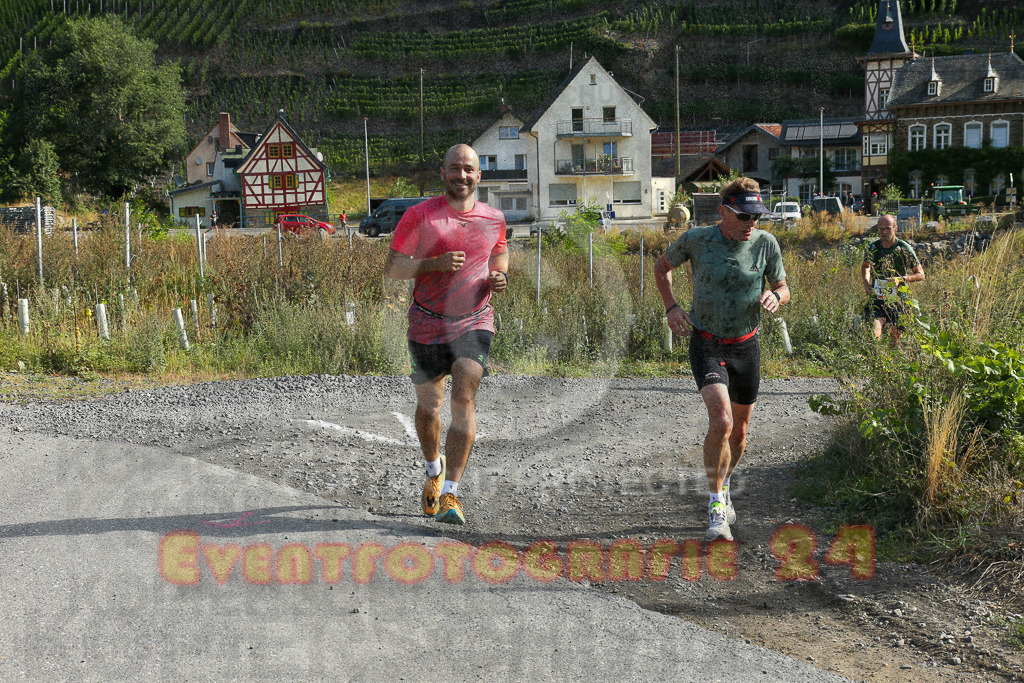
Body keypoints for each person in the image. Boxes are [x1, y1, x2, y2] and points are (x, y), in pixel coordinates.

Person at [653, 177, 790, 542]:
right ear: (724, 211)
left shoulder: (766, 244)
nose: (751, 225)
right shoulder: (697, 239)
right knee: (722, 422)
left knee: (741, 433)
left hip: (747, 345)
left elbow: (782, 286)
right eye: (744, 217)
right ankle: (716, 506)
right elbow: (661, 266)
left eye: (756, 217)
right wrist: (671, 307)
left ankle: (724, 486)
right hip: (708, 342)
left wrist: (778, 297)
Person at [383, 144, 509, 525]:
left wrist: (500, 275)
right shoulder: (419, 216)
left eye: (469, 169)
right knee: (429, 408)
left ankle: (451, 494)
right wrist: (432, 264)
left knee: (464, 396)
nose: (462, 176)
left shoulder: (494, 218)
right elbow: (393, 268)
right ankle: (434, 470)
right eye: (455, 169)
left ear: (479, 175)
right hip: (426, 322)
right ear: (443, 173)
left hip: (474, 321)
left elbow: (499, 254)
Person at [861, 214, 924, 343]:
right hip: (878, 298)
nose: (884, 232)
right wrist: (867, 284)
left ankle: (894, 361)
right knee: (873, 334)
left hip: (898, 299)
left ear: (896, 228)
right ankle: (875, 360)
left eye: (887, 228)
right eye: (881, 229)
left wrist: (900, 279)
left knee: (895, 339)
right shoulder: (873, 248)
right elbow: (865, 266)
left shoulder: (903, 248)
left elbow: (920, 274)